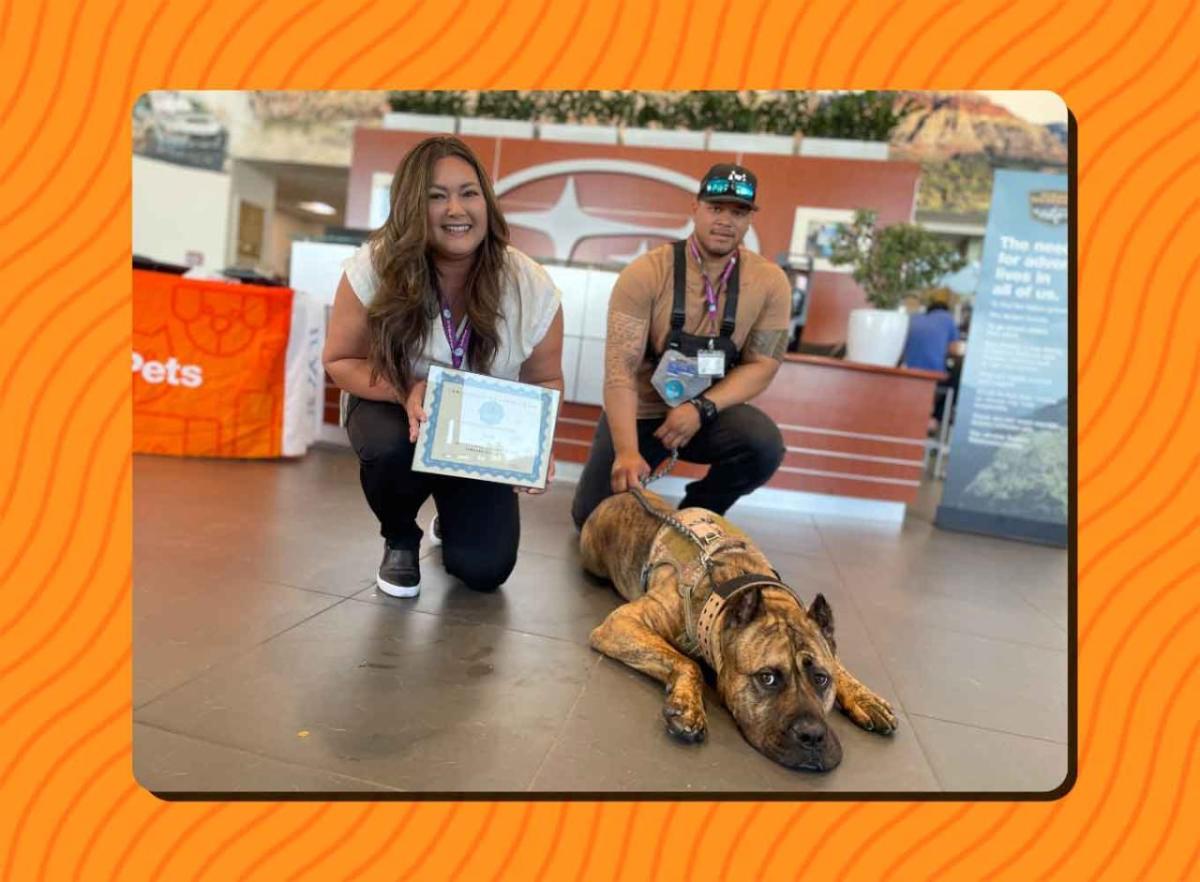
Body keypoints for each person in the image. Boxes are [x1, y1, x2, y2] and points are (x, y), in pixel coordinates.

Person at [323, 136, 564, 598]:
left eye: (469, 193)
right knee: (388, 448)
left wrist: (539, 443)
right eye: (437, 196)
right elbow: (341, 359)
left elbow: (545, 378)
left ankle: (451, 518)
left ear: (487, 202)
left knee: (484, 571)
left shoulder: (530, 285)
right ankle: (400, 537)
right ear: (413, 205)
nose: (457, 209)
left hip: (480, 436)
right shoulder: (374, 268)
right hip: (394, 407)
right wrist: (405, 388)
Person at [570, 163, 790, 530]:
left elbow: (764, 364)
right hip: (640, 409)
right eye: (716, 208)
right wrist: (626, 451)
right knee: (591, 519)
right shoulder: (645, 273)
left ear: (749, 219)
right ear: (696, 207)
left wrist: (701, 408)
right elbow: (620, 369)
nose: (725, 221)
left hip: (707, 413)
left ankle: (696, 515)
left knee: (763, 445)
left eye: (737, 212)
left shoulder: (771, 283)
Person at [902, 287, 966, 426]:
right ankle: (937, 417)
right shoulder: (946, 318)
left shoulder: (913, 318)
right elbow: (955, 349)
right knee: (959, 375)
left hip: (907, 372)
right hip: (933, 376)